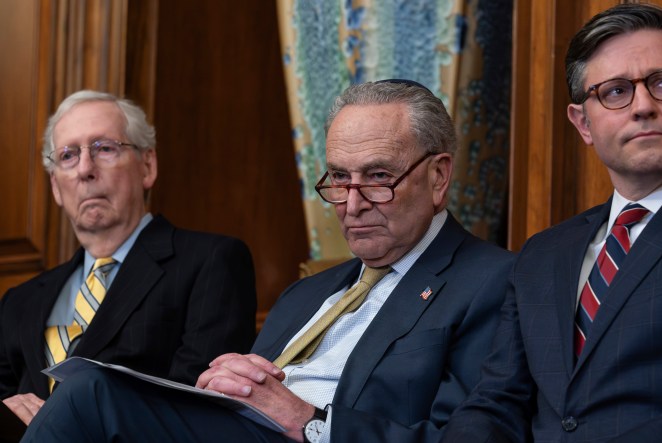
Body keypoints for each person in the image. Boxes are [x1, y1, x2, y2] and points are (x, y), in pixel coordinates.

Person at [21, 80, 515, 442]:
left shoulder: (492, 280)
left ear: (438, 176)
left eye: (379, 176)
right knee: (89, 387)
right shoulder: (305, 295)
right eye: (339, 179)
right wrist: (221, 382)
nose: (353, 203)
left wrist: (311, 422)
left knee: (89, 392)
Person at [443, 3, 662, 442]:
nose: (643, 107)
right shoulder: (543, 253)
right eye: (615, 92)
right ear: (583, 123)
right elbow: (495, 402)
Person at [0, 90, 257, 433]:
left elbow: (197, 408)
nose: (85, 169)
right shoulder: (20, 301)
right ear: (56, 187)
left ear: (147, 166)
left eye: (104, 148)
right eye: (68, 155)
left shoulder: (211, 262)